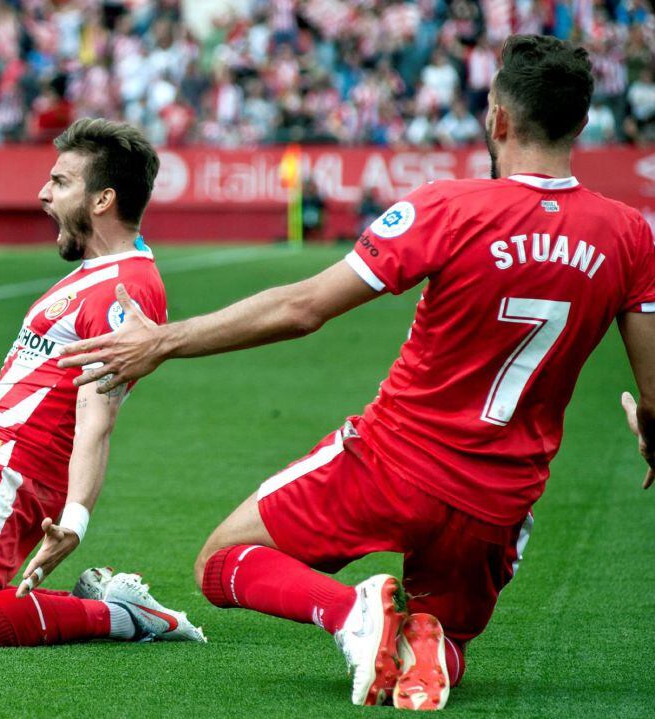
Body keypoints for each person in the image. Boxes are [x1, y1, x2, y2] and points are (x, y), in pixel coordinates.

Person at [59, 36, 655, 709]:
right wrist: (647, 429)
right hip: (497, 500)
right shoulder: (629, 234)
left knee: (221, 562)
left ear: (497, 120)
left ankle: (353, 613)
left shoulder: (447, 207)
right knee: (445, 638)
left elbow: (304, 306)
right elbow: (654, 388)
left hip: (391, 464)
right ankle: (421, 635)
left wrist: (163, 340)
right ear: (581, 124)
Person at [0, 118, 206, 649]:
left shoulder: (124, 290)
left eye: (59, 182)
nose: (43, 193)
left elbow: (96, 419)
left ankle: (121, 614)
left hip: (13, 468)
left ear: (102, 199)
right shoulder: (93, 272)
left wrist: (75, 518)